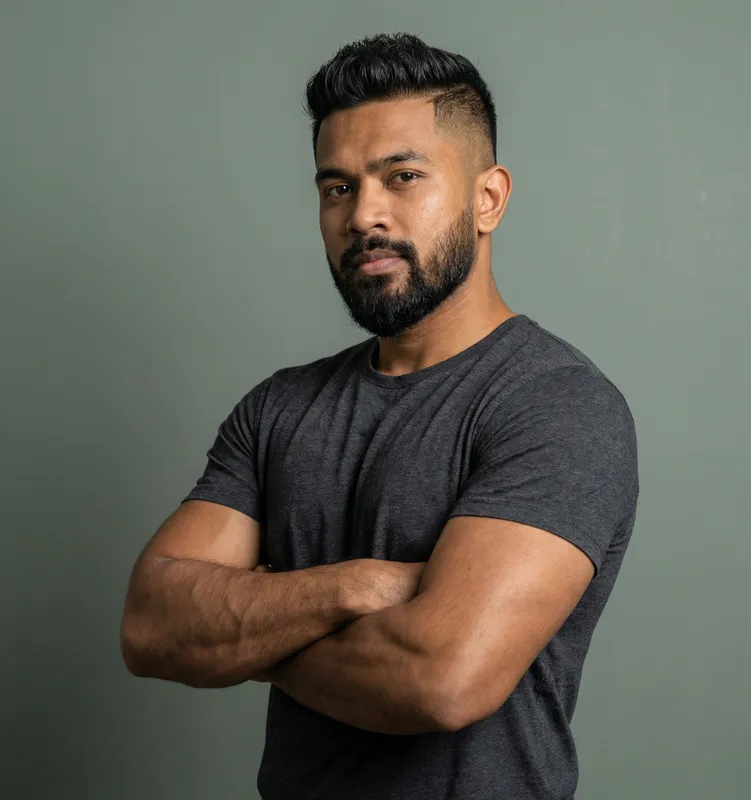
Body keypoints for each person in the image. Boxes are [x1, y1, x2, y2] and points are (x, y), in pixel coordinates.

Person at [121, 32, 639, 800]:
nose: (364, 214)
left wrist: (248, 637)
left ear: (487, 197)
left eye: (403, 177)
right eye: (337, 187)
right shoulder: (278, 409)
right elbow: (150, 625)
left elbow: (440, 679)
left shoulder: (557, 404)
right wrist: (357, 587)